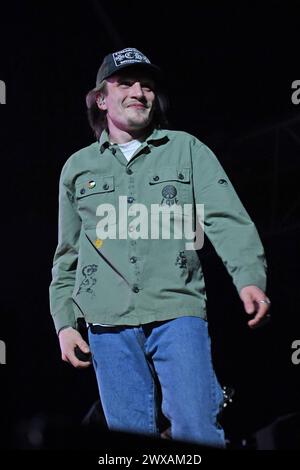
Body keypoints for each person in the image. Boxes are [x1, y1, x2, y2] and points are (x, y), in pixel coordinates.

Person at [49, 47, 271, 448]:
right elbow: (68, 253)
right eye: (126, 83)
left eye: (147, 86)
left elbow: (226, 218)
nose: (139, 92)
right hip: (107, 322)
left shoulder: (187, 149)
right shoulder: (77, 168)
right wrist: (65, 322)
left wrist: (249, 278)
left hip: (177, 312)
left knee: (199, 430)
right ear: (101, 98)